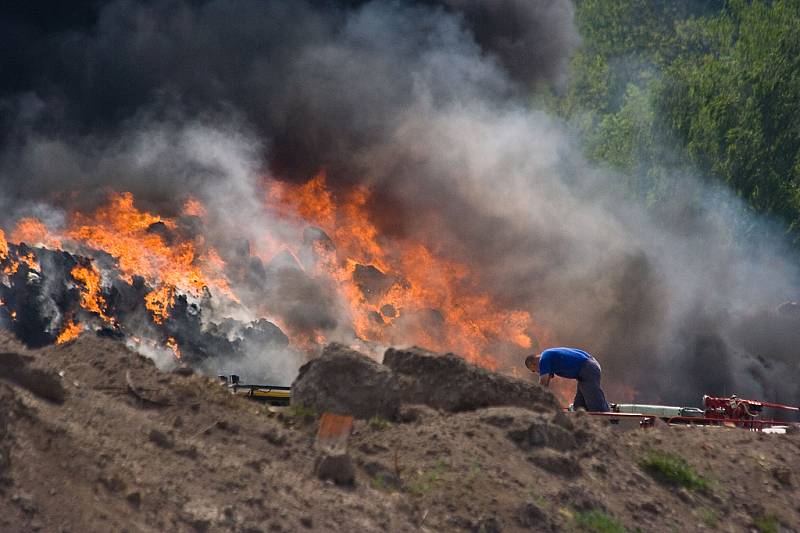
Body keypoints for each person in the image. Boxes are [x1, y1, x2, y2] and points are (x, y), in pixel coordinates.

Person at [524, 347, 609, 412]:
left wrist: (536, 400)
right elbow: (548, 377)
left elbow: (543, 383)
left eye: (534, 370)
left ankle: (607, 420)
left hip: (587, 368)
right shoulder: (548, 355)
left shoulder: (544, 359)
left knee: (594, 402)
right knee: (579, 406)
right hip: (588, 367)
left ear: (532, 363)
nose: (537, 372)